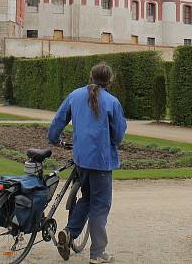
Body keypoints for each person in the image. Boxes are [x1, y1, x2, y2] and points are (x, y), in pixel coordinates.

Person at [47, 62, 127, 264]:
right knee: (100, 205)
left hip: (81, 159)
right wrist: (114, 143)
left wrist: (54, 138)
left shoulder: (75, 95)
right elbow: (118, 134)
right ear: (109, 80)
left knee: (87, 198)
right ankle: (97, 253)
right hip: (101, 161)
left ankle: (70, 231)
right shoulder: (112, 102)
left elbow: (58, 120)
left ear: (91, 77)